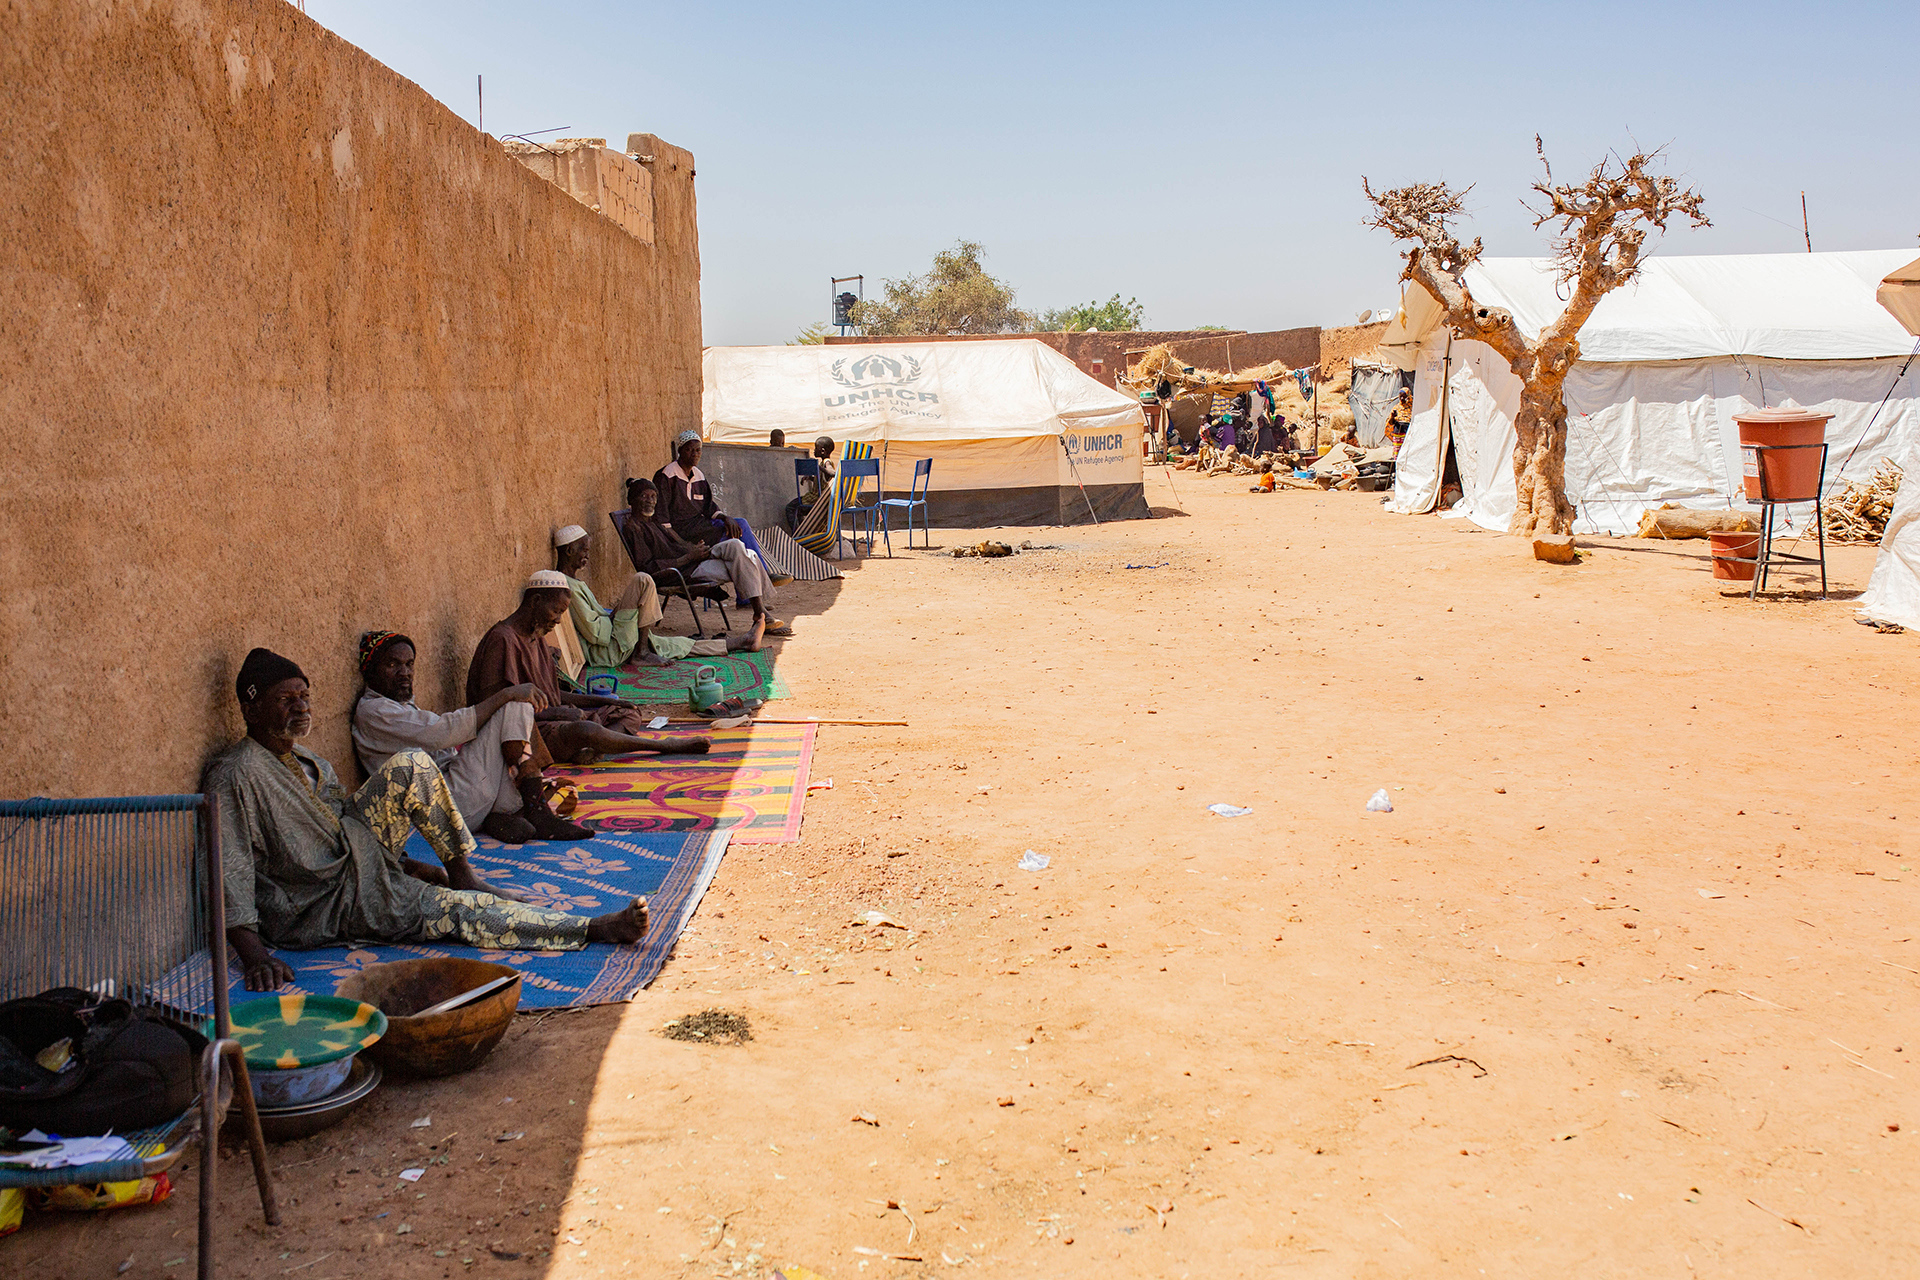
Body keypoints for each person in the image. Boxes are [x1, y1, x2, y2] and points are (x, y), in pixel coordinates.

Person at [208, 648, 650, 992]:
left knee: (414, 764)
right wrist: (253, 954)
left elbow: (339, 820)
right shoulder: (237, 773)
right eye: (285, 700)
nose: (300, 707)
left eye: (304, 696)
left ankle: (462, 873)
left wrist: (404, 864)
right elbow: (231, 865)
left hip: (358, 859)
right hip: (325, 900)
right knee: (460, 914)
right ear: (250, 710)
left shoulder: (307, 759)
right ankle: (592, 928)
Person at [354, 631, 587, 846]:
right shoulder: (374, 712)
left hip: (458, 796)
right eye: (392, 664)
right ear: (370, 670)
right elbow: (442, 732)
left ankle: (502, 815)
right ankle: (535, 812)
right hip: (442, 809)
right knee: (515, 705)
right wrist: (505, 694)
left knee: (512, 730)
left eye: (409, 664)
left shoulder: (399, 706)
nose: (404, 673)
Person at [467, 571, 711, 765]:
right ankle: (663, 746)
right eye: (556, 611)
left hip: (554, 720)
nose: (558, 620)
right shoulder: (502, 640)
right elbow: (496, 711)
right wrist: (559, 714)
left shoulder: (537, 636)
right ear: (536, 602)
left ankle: (592, 747)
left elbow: (552, 695)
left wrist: (602, 702)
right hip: (527, 732)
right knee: (584, 728)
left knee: (626, 712)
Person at [622, 477, 789, 650]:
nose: (649, 501)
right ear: (632, 500)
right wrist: (688, 558)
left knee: (738, 546)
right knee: (749, 558)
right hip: (682, 571)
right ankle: (761, 614)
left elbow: (673, 546)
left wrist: (691, 549)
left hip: (692, 560)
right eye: (644, 496)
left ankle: (760, 612)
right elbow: (647, 568)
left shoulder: (653, 523)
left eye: (653, 496)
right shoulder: (634, 528)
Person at [655, 430, 795, 587]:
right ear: (680, 451)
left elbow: (709, 507)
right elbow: (663, 522)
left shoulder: (698, 475)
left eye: (698, 450)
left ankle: (761, 577)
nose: (694, 454)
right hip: (684, 533)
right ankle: (759, 583)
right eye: (689, 449)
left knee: (739, 524)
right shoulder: (667, 476)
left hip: (701, 528)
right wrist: (684, 545)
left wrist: (725, 518)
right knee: (737, 546)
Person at [552, 524, 669, 669]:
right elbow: (594, 633)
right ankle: (641, 653)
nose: (587, 556)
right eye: (585, 550)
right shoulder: (568, 587)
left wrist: (614, 615)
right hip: (608, 651)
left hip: (611, 638)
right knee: (642, 580)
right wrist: (613, 618)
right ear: (570, 551)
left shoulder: (572, 581)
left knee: (678, 645)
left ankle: (643, 649)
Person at [786, 436, 838, 531]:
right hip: (818, 499)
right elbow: (823, 480)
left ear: (822, 451)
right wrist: (810, 478)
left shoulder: (827, 462)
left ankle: (797, 532)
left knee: (790, 508)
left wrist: (817, 466)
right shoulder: (824, 463)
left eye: (815, 448)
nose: (814, 450)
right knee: (798, 511)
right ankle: (804, 531)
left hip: (815, 500)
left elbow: (832, 473)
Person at [1386, 387, 1414, 456]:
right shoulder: (1396, 407)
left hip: (1408, 432)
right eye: (1400, 396)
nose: (1402, 398)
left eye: (1404, 396)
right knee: (1398, 452)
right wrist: (1393, 416)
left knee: (1408, 451)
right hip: (1398, 432)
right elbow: (1390, 423)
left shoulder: (1412, 407)